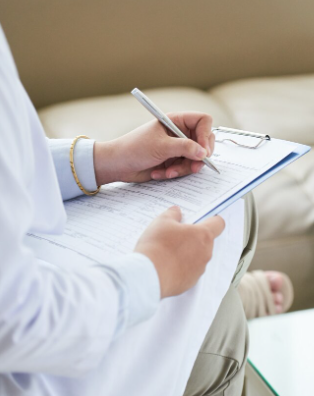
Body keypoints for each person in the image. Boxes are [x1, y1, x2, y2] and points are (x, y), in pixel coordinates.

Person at [0, 23, 290, 395]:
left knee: (228, 199)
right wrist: (154, 273)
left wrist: (104, 159)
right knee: (224, 329)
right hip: (34, 357)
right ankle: (217, 297)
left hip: (34, 266)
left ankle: (211, 293)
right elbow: (18, 321)